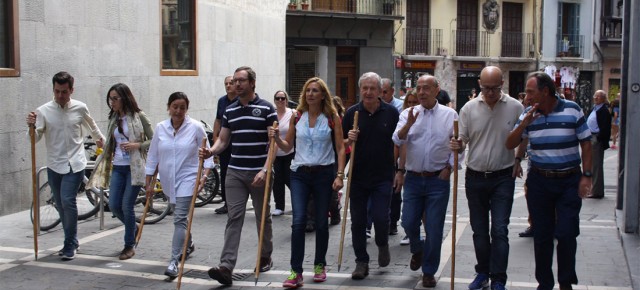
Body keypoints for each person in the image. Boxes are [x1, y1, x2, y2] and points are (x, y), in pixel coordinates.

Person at [506, 72, 592, 290]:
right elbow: (509, 143)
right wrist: (524, 123)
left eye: (531, 92)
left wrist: (587, 175)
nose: (527, 96)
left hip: (568, 181)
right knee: (542, 236)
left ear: (545, 92)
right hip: (539, 182)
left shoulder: (572, 109)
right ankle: (544, 283)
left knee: (566, 233)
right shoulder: (528, 113)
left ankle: (565, 282)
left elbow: (586, 143)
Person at [201, 66, 277, 286]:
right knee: (234, 217)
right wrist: (212, 151)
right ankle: (226, 266)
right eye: (234, 81)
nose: (236, 84)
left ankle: (265, 256)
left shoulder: (266, 108)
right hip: (234, 171)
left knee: (263, 215)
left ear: (252, 83)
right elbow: (223, 140)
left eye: (241, 81)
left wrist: (265, 170)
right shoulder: (230, 110)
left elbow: (273, 145)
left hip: (258, 171)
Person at [450, 66, 524, 290]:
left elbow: (524, 136)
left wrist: (519, 159)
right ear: (479, 85)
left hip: (503, 175)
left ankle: (499, 278)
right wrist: (457, 144)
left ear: (503, 84)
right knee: (480, 230)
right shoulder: (469, 108)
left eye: (495, 88)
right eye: (486, 88)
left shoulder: (515, 107)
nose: (490, 92)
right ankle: (482, 272)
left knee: (499, 229)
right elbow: (462, 138)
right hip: (475, 177)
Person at [268, 77, 346, 288]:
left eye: (315, 90)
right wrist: (275, 138)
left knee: (321, 221)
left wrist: (340, 175)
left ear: (323, 95)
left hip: (323, 174)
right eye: (308, 90)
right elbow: (287, 146)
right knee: (299, 221)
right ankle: (296, 271)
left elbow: (340, 147)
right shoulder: (297, 116)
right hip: (299, 173)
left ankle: (319, 265)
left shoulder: (332, 117)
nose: (310, 94)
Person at [26, 71, 105, 261]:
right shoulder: (43, 111)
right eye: (57, 91)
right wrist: (30, 127)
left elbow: (91, 124)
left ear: (71, 90)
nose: (60, 96)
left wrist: (100, 139)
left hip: (76, 163)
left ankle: (70, 242)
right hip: (55, 164)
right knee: (60, 203)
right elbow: (34, 139)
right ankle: (71, 240)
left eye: (64, 92)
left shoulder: (80, 107)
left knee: (67, 201)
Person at [392, 74, 459, 288]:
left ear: (436, 90)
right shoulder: (408, 114)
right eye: (418, 88)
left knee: (434, 227)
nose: (421, 92)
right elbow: (397, 139)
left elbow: (457, 144)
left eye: (426, 88)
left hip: (437, 180)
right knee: (408, 221)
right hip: (413, 178)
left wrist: (450, 167)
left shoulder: (450, 115)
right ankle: (417, 248)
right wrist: (408, 124)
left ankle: (429, 271)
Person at [145, 92, 213, 278]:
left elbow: (207, 155)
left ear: (186, 109)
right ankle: (188, 243)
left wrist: (204, 177)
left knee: (180, 218)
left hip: (188, 178)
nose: (178, 111)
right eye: (175, 107)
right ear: (169, 107)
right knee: (179, 216)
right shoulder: (160, 128)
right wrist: (148, 182)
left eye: (182, 107)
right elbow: (153, 156)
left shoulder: (196, 128)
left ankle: (174, 261)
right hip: (168, 180)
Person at [87, 83, 154, 260]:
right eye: (110, 99)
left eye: (115, 98)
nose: (112, 102)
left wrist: (137, 145)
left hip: (134, 167)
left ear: (125, 98)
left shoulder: (139, 116)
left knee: (126, 205)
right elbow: (111, 140)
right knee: (114, 205)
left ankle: (129, 245)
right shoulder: (113, 118)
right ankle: (133, 228)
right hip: (117, 166)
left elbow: (154, 140)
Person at [343, 72, 399, 280]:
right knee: (357, 221)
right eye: (364, 88)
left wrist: (399, 170)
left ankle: (382, 244)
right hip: (358, 177)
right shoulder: (351, 114)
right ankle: (361, 261)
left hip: (383, 175)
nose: (368, 92)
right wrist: (349, 140)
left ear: (379, 91)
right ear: (360, 90)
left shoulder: (391, 113)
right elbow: (341, 145)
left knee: (380, 217)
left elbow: (399, 142)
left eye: (372, 88)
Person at [212, 76, 237, 215]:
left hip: (238, 143)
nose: (228, 86)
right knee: (225, 172)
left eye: (231, 83)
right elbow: (218, 119)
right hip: (224, 143)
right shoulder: (222, 101)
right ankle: (227, 203)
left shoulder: (241, 100)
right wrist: (215, 137)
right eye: (226, 84)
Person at [398, 89, 419, 246]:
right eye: (409, 102)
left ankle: (418, 238)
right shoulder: (404, 116)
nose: (412, 106)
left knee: (427, 213)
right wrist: (400, 169)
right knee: (408, 215)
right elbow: (399, 142)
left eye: (415, 102)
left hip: (428, 172)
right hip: (408, 169)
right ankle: (411, 233)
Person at [271, 90, 295, 216]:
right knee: (277, 180)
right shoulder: (272, 115)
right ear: (274, 100)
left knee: (290, 179)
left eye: (282, 98)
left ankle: (298, 203)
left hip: (289, 152)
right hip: (275, 154)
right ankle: (279, 206)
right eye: (278, 98)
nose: (280, 100)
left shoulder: (292, 114)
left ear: (286, 100)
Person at [586, 90, 611, 199]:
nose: (595, 98)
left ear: (603, 98)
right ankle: (592, 189)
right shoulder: (595, 108)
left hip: (596, 139)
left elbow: (605, 127)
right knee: (591, 165)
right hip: (591, 137)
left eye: (598, 96)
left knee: (596, 166)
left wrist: (599, 138)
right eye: (595, 96)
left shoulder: (604, 110)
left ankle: (596, 191)